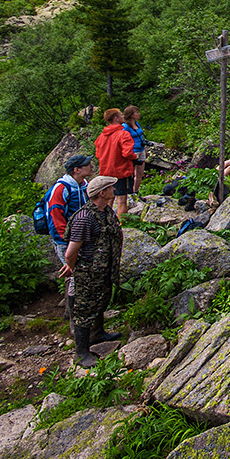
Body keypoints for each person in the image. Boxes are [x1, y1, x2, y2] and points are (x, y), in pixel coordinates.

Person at [59, 175, 125, 367]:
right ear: (102, 193)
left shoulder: (105, 212)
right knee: (84, 308)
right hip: (88, 272)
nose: (114, 189)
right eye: (110, 188)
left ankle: (97, 334)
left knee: (101, 300)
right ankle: (81, 353)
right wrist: (71, 267)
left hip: (103, 270)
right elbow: (71, 251)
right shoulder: (84, 218)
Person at [49, 155, 92, 321]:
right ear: (77, 170)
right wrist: (66, 241)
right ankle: (76, 320)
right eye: (86, 165)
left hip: (79, 238)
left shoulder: (83, 185)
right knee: (76, 274)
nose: (91, 166)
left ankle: (73, 312)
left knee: (76, 274)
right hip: (66, 241)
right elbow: (55, 216)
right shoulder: (62, 188)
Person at [94, 108, 137, 217]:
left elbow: (98, 155)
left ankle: (106, 221)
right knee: (121, 200)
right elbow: (127, 153)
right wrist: (135, 157)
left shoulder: (101, 136)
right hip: (121, 172)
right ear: (116, 118)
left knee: (108, 199)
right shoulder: (123, 134)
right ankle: (122, 226)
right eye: (120, 115)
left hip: (105, 172)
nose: (123, 116)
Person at [121, 106, 146, 196]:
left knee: (140, 173)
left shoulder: (137, 123)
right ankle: (129, 192)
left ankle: (136, 191)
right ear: (131, 115)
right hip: (133, 151)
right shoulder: (125, 127)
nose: (138, 114)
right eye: (136, 113)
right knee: (130, 174)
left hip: (141, 149)